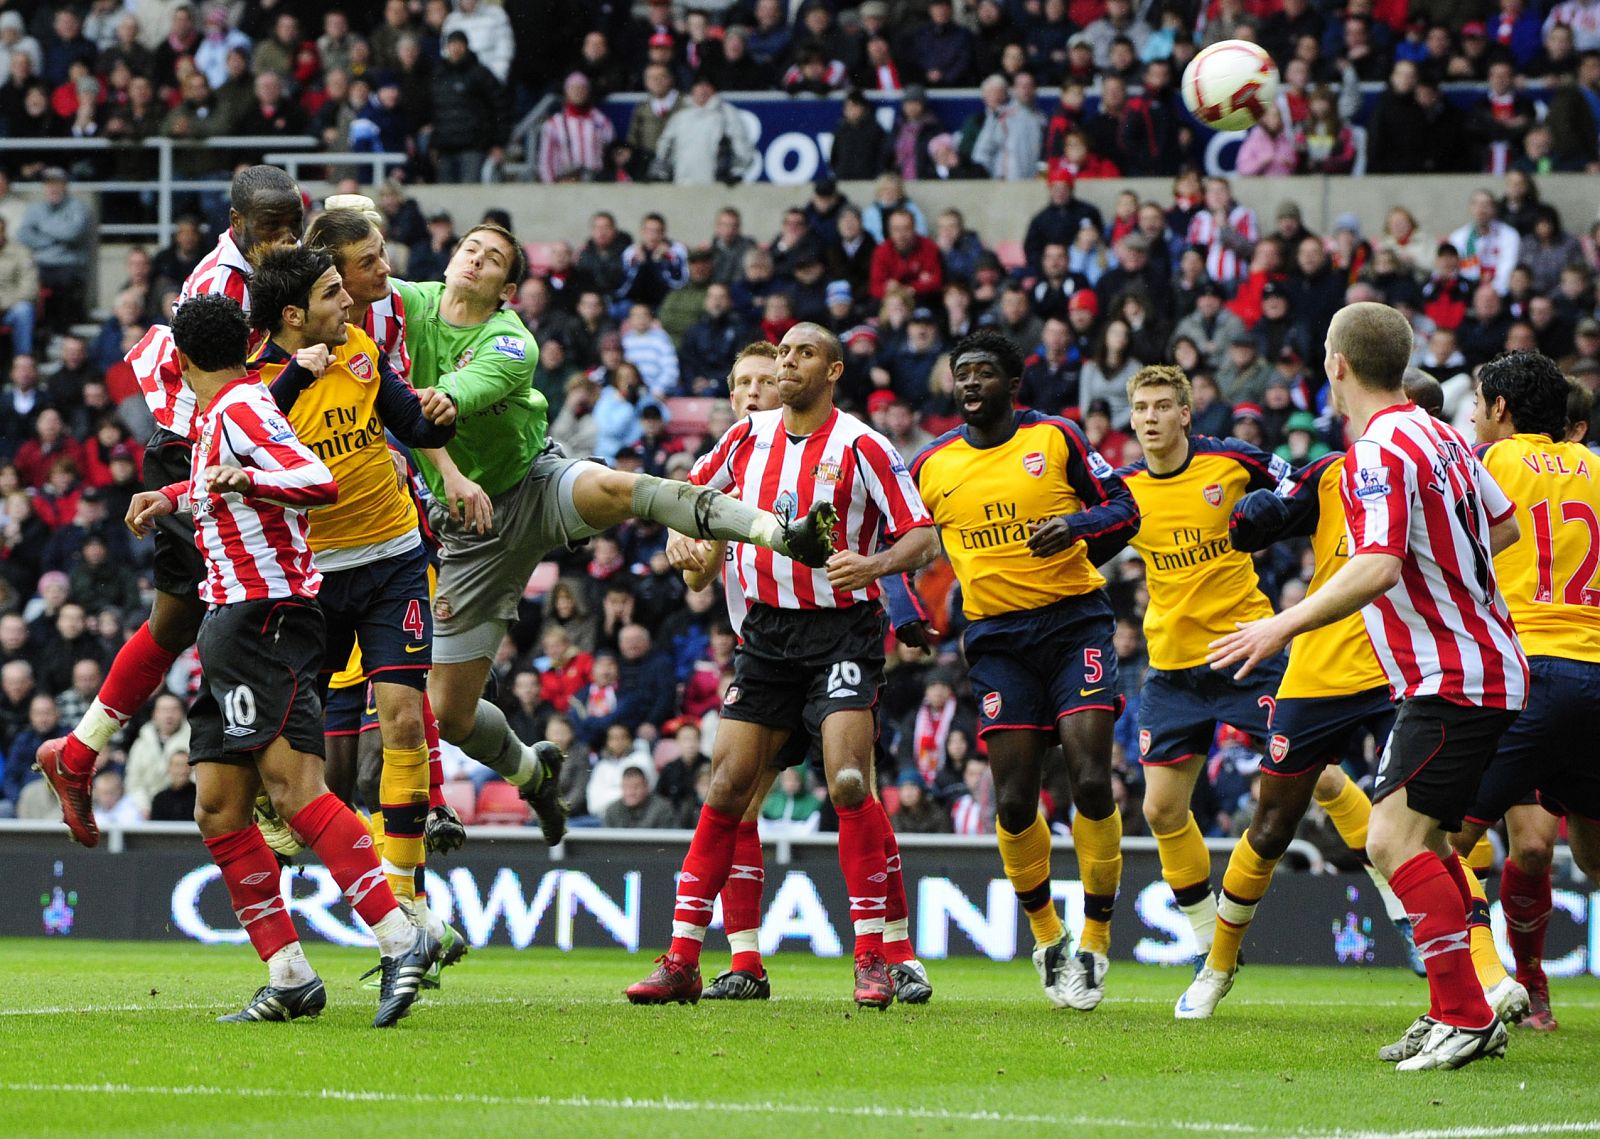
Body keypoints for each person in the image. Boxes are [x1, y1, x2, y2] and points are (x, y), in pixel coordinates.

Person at [394, 225, 840, 849]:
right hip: (473, 533)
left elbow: (475, 387)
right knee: (449, 712)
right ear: (451, 258)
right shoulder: (406, 303)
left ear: (509, 289)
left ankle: (780, 533)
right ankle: (533, 770)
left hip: (536, 483)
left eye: (493, 258)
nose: (476, 260)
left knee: (623, 487)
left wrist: (444, 394)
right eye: (470, 249)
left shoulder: (512, 338)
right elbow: (351, 284)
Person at [1210, 302, 1526, 1071]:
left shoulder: (1379, 450)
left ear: (1336, 365)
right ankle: (1461, 1005)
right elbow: (1505, 526)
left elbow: (1380, 564)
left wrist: (1280, 626)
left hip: (1452, 671)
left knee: (1389, 839)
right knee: (1419, 842)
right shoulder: (1443, 434)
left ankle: (1466, 1013)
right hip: (1466, 662)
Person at [124, 292, 441, 1027]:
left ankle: (400, 938)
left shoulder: (242, 408)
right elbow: (221, 482)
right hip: (230, 621)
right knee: (219, 806)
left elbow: (315, 481)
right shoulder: (227, 408)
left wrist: (254, 480)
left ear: (180, 356)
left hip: (263, 614)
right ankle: (290, 973)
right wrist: (170, 496)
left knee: (296, 790)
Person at [625, 323, 936, 1009]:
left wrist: (877, 563)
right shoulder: (747, 438)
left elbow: (921, 533)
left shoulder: (863, 445)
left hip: (842, 633)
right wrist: (680, 528)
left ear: (833, 371)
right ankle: (683, 957)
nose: (787, 362)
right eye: (782, 352)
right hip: (764, 636)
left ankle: (876, 956)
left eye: (802, 354)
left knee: (851, 782)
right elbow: (689, 493)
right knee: (727, 786)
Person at [33, 165, 305, 848]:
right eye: (273, 232)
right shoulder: (221, 285)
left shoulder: (264, 270)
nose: (285, 243)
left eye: (293, 229)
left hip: (224, 447)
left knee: (182, 619)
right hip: (196, 449)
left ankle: (78, 752)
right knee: (221, 608)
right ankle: (265, 774)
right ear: (240, 226)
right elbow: (228, 390)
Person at [246, 243, 467, 971]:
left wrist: (440, 413)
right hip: (311, 579)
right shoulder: (256, 382)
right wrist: (288, 382)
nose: (350, 303)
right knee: (296, 749)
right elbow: (245, 449)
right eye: (334, 293)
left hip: (394, 560)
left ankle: (409, 903)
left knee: (403, 715)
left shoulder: (363, 350)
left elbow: (415, 423)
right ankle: (279, 871)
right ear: (292, 314)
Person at [908, 330, 1137, 1009]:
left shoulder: (1056, 437)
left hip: (1074, 623)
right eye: (961, 374)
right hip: (998, 639)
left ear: (1013, 384)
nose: (970, 383)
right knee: (1011, 799)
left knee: (1091, 776)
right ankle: (1047, 936)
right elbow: (896, 544)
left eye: (983, 372)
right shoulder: (932, 464)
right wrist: (902, 612)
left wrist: (1077, 528)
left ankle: (1094, 941)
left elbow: (1125, 510)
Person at [1174, 440, 1430, 1019]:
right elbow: (1258, 523)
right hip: (1322, 670)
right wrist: (1250, 515)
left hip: (1406, 667)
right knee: (1270, 826)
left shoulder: (1439, 470)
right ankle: (1216, 965)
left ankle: (1477, 976)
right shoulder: (1332, 474)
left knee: (1440, 825)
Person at [1116, 365, 1293, 962]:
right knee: (1160, 808)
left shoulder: (1230, 462)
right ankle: (1204, 941)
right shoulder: (1124, 489)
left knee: (1314, 777)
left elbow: (1305, 486)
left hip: (1248, 649)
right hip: (1171, 666)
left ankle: (1397, 904)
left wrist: (1282, 515)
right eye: (1141, 408)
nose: (1151, 418)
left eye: (1163, 406)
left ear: (1186, 414)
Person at [1448, 351, 1600, 1031]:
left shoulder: (1488, 464)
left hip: (1527, 675)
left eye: (1479, 402)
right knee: (1550, 850)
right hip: (1590, 676)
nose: (1474, 413)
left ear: (1501, 409)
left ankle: (1462, 999)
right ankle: (1531, 986)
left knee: (1426, 839)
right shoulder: (1596, 468)